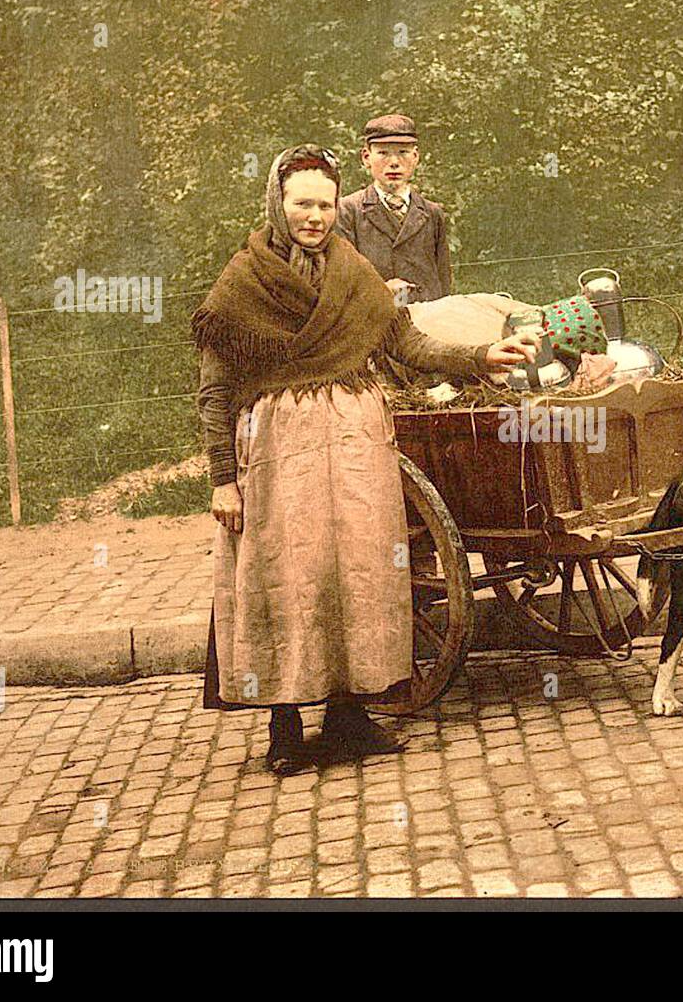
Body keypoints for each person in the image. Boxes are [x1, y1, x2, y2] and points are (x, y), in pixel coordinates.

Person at [193, 144, 535, 775]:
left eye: (325, 204)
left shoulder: (353, 271)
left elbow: (405, 339)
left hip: (355, 445)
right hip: (278, 449)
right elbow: (215, 390)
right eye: (302, 204)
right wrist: (222, 480)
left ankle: (350, 717)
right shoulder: (243, 282)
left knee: (358, 571)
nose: (315, 217)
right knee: (287, 578)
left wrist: (481, 355)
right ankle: (285, 728)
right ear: (278, 203)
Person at [337, 113, 451, 306]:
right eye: (383, 153)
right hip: (373, 320)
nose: (394, 162)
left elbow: (444, 280)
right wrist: (380, 291)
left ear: (415, 157)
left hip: (428, 321)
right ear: (366, 157)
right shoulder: (348, 211)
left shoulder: (432, 213)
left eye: (403, 152)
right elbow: (343, 279)